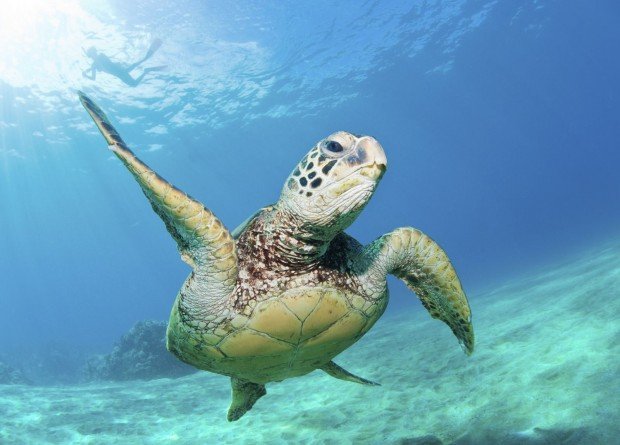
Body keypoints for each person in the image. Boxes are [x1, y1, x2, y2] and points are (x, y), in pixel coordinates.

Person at [82, 39, 164, 87]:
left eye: (94, 52)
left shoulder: (96, 62)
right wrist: (89, 71)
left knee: (134, 84)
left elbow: (100, 68)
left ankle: (146, 70)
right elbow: (102, 66)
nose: (95, 53)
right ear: (91, 55)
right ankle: (147, 70)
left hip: (120, 71)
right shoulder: (98, 60)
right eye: (94, 52)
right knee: (134, 83)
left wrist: (87, 73)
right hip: (121, 71)